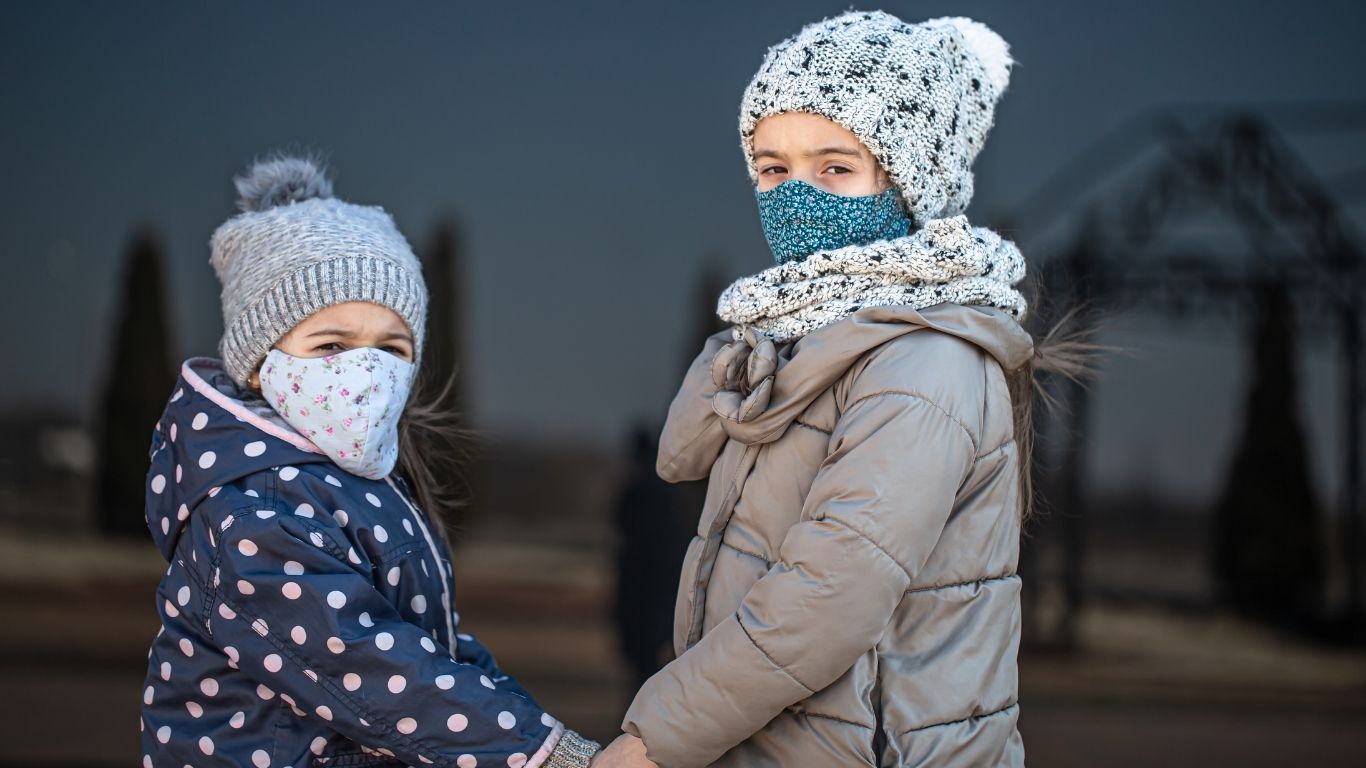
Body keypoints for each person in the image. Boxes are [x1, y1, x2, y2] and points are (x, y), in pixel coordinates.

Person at [606, 10, 1086, 767]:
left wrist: (653, 743)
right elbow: (681, 454)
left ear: (907, 182)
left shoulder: (926, 365)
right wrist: (747, 350)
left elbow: (824, 600)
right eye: (772, 168)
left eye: (835, 167)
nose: (796, 197)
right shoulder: (798, 339)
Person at [138, 157, 601, 768]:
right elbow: (366, 666)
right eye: (331, 344)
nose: (368, 369)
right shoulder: (252, 506)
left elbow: (431, 646)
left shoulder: (363, 481)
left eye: (393, 346)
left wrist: (542, 733)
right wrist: (544, 755)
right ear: (258, 363)